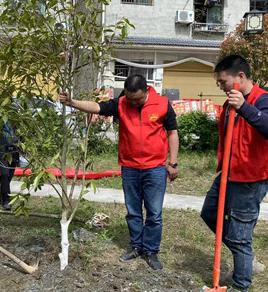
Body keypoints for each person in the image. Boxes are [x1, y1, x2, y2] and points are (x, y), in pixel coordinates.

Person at [60, 75, 179, 270]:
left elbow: (172, 133)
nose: (133, 102)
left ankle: (150, 250)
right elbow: (97, 107)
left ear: (147, 91)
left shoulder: (163, 104)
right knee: (133, 212)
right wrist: (72, 102)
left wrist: (172, 163)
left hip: (155, 168)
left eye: (138, 99)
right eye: (130, 98)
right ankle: (136, 247)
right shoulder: (121, 103)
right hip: (130, 167)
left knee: (154, 213)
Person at [200, 55, 268, 292]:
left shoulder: (263, 100)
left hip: (251, 178)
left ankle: (241, 287)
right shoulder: (230, 103)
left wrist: (245, 108)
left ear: (240, 77)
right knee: (209, 213)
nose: (222, 87)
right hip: (229, 172)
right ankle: (244, 256)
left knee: (239, 234)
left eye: (223, 81)